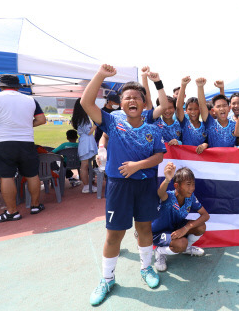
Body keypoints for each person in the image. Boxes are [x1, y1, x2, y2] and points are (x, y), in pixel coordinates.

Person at [81, 64, 166, 306]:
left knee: (145, 228)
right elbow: (87, 104)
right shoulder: (111, 120)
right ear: (120, 102)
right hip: (119, 186)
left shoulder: (151, 123)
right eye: (127, 97)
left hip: (146, 184)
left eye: (137, 98)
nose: (131, 100)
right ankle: (107, 279)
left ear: (143, 103)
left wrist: (137, 166)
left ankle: (146, 268)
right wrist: (100, 75)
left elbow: (159, 155)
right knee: (114, 233)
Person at [0, 74, 47, 223]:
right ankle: (35, 206)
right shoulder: (30, 99)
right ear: (18, 87)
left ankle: (12, 212)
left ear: (1, 86)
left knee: (6, 176)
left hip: (3, 142)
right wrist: (25, 125)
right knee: (32, 174)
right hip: (26, 142)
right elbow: (42, 120)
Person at [152, 163, 210, 272]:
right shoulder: (168, 197)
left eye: (193, 184)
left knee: (201, 227)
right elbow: (160, 193)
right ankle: (160, 251)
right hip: (158, 233)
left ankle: (186, 249)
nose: (192, 188)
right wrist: (167, 179)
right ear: (176, 186)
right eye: (188, 184)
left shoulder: (190, 197)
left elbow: (205, 215)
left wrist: (186, 228)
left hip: (176, 228)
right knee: (181, 243)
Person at [197, 78, 239, 148]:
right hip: (213, 158)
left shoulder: (235, 125)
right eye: (218, 106)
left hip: (230, 158)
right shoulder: (210, 123)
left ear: (229, 108)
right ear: (213, 111)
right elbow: (202, 106)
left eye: (224, 106)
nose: (222, 108)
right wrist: (200, 87)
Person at [71, 98, 98, 193]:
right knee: (85, 165)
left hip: (86, 142)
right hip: (86, 143)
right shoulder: (83, 118)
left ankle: (87, 185)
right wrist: (96, 123)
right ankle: (86, 186)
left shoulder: (81, 117)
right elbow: (89, 132)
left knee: (85, 165)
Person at [175, 76, 208, 154]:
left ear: (200, 110)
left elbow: (209, 141)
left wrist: (204, 145)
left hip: (202, 160)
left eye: (196, 109)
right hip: (186, 159)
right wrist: (183, 85)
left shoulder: (205, 125)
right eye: (190, 109)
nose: (193, 112)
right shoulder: (184, 123)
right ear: (186, 110)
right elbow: (179, 107)